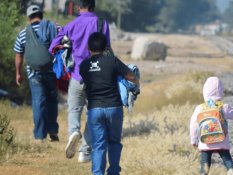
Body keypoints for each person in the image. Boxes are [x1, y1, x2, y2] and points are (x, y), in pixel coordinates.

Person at [49, 0, 111, 162]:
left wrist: (67, 47)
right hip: (97, 78)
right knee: (93, 114)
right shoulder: (102, 23)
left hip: (77, 76)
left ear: (78, 7)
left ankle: (73, 132)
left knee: (74, 109)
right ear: (94, 6)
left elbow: (53, 46)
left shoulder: (72, 25)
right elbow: (108, 49)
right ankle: (85, 151)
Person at [80, 32, 139, 175]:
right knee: (114, 142)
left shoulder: (83, 65)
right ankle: (113, 172)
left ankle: (97, 173)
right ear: (106, 46)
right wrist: (133, 82)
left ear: (88, 47)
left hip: (94, 109)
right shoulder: (112, 60)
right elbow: (131, 76)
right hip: (114, 107)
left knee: (98, 145)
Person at [14, 5, 59, 142]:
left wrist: (18, 73)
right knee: (52, 101)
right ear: (41, 15)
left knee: (38, 103)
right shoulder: (53, 28)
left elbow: (19, 55)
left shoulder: (22, 33)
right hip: (51, 71)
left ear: (29, 18)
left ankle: (39, 136)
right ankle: (52, 130)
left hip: (34, 73)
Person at [189, 77, 233, 175]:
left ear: (205, 91)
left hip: (205, 142)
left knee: (205, 161)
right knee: (226, 158)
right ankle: (230, 170)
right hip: (221, 140)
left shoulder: (200, 108)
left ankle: (204, 173)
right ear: (220, 92)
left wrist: (193, 140)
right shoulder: (223, 107)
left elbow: (193, 125)